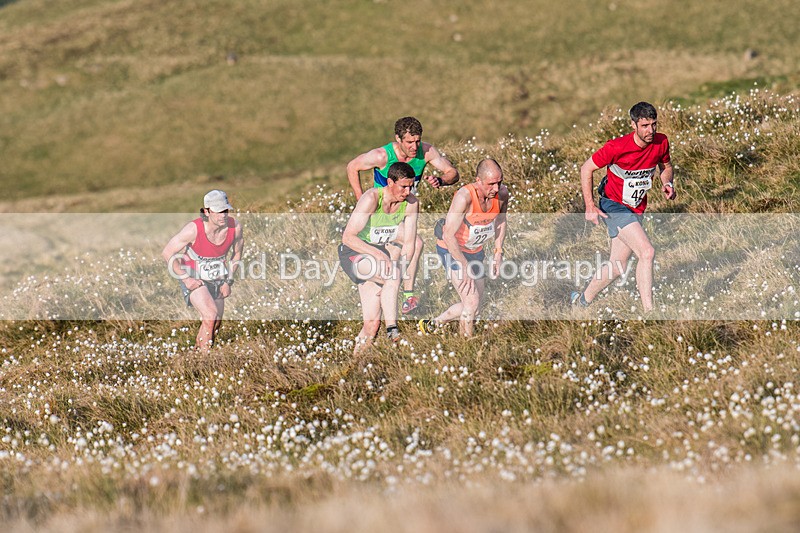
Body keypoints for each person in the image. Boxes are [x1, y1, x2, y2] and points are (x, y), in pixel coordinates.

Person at [346, 116, 459, 314]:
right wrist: (360, 200)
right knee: (409, 246)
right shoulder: (382, 156)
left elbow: (452, 172)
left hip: (402, 213)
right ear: (398, 139)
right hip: (379, 216)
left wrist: (442, 180)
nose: (414, 147)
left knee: (415, 244)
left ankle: (407, 296)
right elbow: (352, 166)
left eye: (417, 141)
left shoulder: (426, 152)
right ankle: (393, 292)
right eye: (409, 142)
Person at [570, 101, 675, 313]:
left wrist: (667, 182)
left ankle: (581, 301)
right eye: (644, 125)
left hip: (636, 208)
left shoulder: (661, 142)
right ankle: (650, 313)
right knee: (646, 252)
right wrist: (590, 206)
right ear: (633, 125)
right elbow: (586, 168)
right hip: (613, 205)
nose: (650, 130)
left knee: (618, 266)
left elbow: (666, 166)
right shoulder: (616, 147)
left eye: (653, 124)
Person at [419, 158, 508, 337]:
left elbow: (500, 221)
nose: (496, 189)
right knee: (472, 301)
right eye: (491, 184)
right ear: (478, 181)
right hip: (452, 250)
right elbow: (448, 235)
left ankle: (434, 323)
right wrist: (463, 266)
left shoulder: (502, 194)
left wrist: (498, 252)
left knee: (476, 306)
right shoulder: (464, 197)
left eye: (499, 182)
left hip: (475, 250)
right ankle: (467, 346)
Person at [339, 162, 419, 353]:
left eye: (411, 186)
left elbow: (409, 243)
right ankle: (392, 330)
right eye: (403, 186)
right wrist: (378, 256)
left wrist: (402, 267)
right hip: (354, 252)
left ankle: (355, 365)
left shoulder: (411, 203)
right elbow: (348, 237)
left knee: (372, 324)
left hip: (380, 253)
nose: (408, 191)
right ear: (390, 182)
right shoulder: (372, 198)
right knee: (390, 275)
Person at [162, 190, 244, 352]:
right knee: (210, 314)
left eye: (225, 210)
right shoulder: (193, 230)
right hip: (193, 275)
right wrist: (186, 280)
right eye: (218, 211)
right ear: (206, 211)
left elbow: (237, 254)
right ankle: (206, 361)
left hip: (218, 276)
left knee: (216, 322)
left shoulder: (235, 228)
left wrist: (228, 281)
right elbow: (167, 253)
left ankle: (197, 353)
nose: (223, 215)